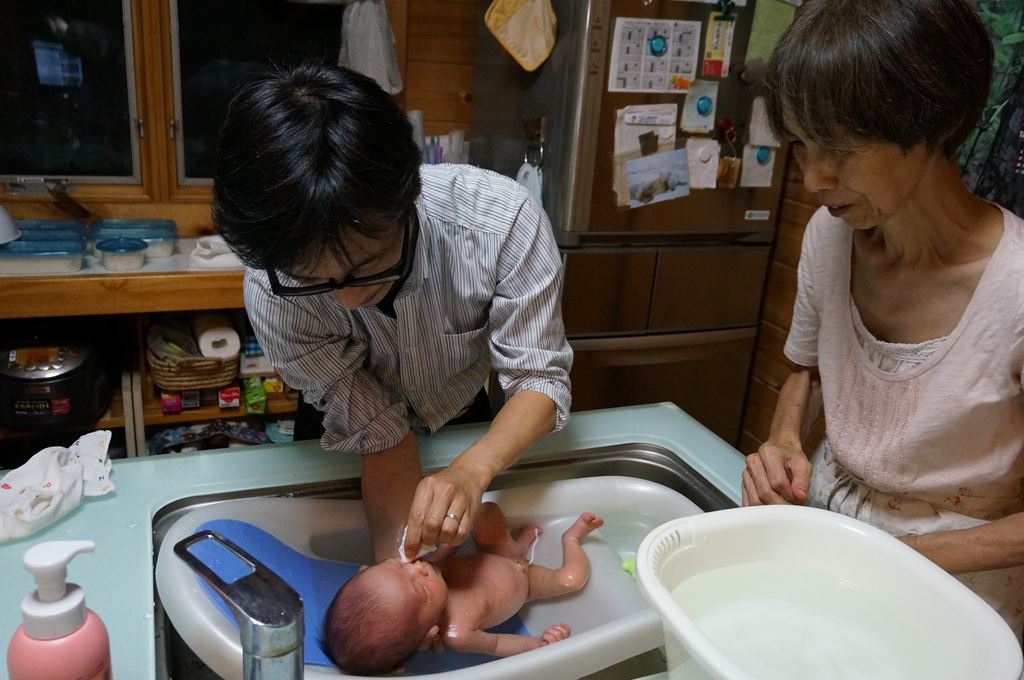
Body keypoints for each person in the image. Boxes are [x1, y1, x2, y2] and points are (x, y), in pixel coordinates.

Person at [212, 62, 572, 564]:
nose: (347, 300)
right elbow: (381, 436)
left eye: (367, 268)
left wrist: (471, 470)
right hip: (344, 427)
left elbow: (539, 379)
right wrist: (399, 577)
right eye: (313, 280)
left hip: (460, 412)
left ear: (410, 199)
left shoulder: (500, 222)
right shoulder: (273, 290)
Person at [743, 0, 1024, 638]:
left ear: (936, 119)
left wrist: (898, 560)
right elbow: (807, 368)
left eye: (839, 148)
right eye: (801, 144)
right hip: (830, 538)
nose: (813, 176)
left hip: (956, 589)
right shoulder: (829, 236)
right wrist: (785, 437)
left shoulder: (1017, 290)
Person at [320, 502, 603, 675]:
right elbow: (497, 645)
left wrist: (454, 537)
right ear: (430, 631)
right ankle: (572, 539)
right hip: (527, 583)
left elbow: (445, 554)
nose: (418, 567)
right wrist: (539, 645)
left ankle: (518, 544)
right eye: (420, 586)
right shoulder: (458, 633)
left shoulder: (431, 574)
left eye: (399, 564)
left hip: (497, 554)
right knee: (571, 580)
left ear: (366, 569)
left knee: (485, 511)